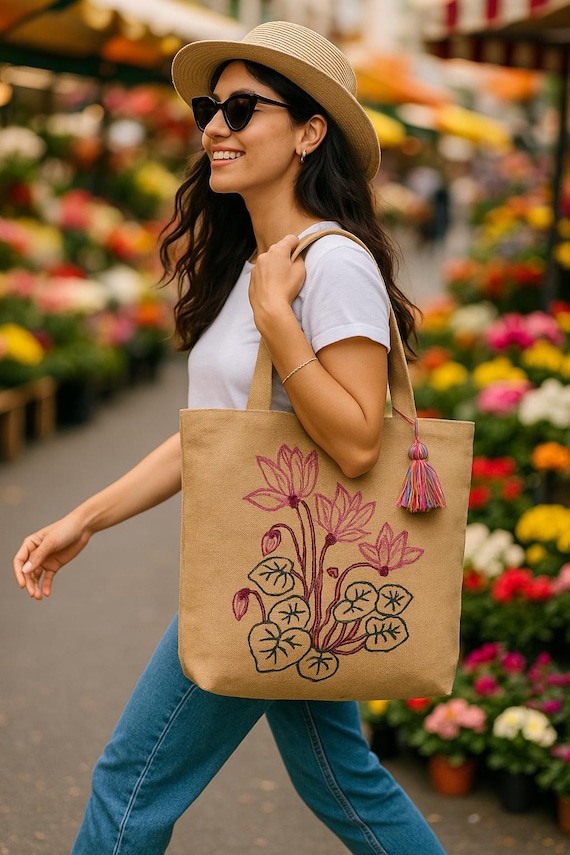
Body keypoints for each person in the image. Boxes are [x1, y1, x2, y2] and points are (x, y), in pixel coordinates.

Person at [13, 21, 447, 855]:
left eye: (243, 108)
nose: (215, 126)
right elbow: (211, 438)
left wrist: (280, 322)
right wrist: (85, 519)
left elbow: (359, 443)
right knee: (340, 778)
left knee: (129, 781)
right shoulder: (256, 264)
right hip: (287, 566)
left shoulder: (331, 267)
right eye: (213, 107)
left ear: (310, 131)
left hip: (270, 575)